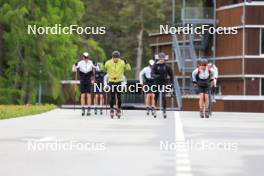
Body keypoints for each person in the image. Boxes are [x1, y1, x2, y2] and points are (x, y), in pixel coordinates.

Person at [101, 51, 131, 118]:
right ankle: (111, 109)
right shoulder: (108, 62)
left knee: (119, 96)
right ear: (112, 57)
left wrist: (127, 63)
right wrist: (103, 64)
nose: (116, 59)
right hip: (111, 81)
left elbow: (129, 69)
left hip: (119, 81)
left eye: (117, 58)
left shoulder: (122, 62)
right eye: (114, 58)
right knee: (112, 97)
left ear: (119, 57)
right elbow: (101, 69)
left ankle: (119, 109)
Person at [151, 52, 173, 118]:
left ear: (164, 59)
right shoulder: (155, 65)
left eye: (163, 59)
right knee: (156, 97)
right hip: (157, 83)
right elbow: (152, 74)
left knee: (164, 96)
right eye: (160, 59)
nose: (161, 60)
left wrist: (172, 84)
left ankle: (164, 111)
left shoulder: (167, 66)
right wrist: (156, 76)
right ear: (158, 59)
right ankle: (154, 110)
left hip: (164, 83)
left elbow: (171, 75)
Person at [73, 52, 95, 116]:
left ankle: (88, 109)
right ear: (83, 57)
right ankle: (83, 108)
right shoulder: (80, 62)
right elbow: (74, 69)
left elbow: (96, 69)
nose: (86, 59)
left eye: (87, 57)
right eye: (85, 57)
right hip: (82, 79)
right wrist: (75, 65)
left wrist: (95, 65)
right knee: (82, 95)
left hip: (88, 79)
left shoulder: (91, 62)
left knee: (88, 95)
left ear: (88, 57)